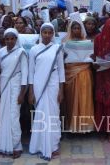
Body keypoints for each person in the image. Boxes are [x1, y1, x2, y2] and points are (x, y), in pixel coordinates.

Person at [28, 23, 65, 160]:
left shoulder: (57, 48)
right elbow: (31, 72)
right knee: (40, 115)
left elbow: (61, 71)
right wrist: (31, 92)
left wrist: (61, 90)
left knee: (54, 114)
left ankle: (53, 145)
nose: (47, 35)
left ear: (53, 34)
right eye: (45, 32)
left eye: (50, 32)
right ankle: (39, 145)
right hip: (39, 86)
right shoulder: (34, 49)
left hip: (54, 85)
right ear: (40, 33)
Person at [0, 28, 28, 158]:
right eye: (7, 39)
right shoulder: (0, 52)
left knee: (14, 116)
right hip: (3, 86)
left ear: (16, 39)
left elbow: (25, 75)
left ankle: (16, 146)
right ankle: (5, 145)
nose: (10, 41)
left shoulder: (21, 52)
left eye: (12, 38)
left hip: (16, 86)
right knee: (4, 116)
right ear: (4, 40)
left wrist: (22, 94)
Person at [62, 20, 95, 133]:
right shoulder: (65, 42)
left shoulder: (87, 42)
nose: (76, 30)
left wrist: (92, 56)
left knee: (84, 98)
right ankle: (73, 126)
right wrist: (64, 55)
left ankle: (85, 127)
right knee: (71, 99)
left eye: (78, 28)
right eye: (74, 28)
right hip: (70, 73)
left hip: (84, 72)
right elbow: (62, 60)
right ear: (70, 30)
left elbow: (91, 58)